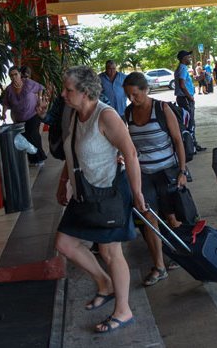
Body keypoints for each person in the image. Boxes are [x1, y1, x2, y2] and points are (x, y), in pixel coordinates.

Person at [54, 66, 145, 334]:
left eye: (68, 89)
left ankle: (123, 309)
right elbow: (72, 151)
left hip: (108, 193)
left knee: (109, 251)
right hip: (84, 193)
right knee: (64, 243)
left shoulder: (106, 116)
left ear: (85, 92)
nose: (63, 94)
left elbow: (130, 154)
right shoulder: (74, 114)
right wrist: (64, 182)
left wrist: (137, 193)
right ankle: (104, 284)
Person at [122, 72, 187, 287]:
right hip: (143, 174)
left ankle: (181, 253)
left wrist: (182, 171)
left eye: (135, 94)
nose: (132, 99)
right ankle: (159, 266)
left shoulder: (162, 109)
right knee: (149, 217)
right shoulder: (129, 113)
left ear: (145, 90)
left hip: (167, 171)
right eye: (128, 95)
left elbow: (178, 140)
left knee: (172, 217)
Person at [1, 67, 48, 167]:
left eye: (15, 74)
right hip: (19, 119)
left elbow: (40, 87)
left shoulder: (27, 83)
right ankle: (32, 160)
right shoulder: (9, 89)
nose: (14, 77)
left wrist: (39, 99)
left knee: (33, 135)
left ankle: (40, 158)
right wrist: (3, 113)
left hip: (33, 114)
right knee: (26, 138)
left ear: (20, 74)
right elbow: (5, 102)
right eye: (11, 75)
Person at [174, 50, 205, 152]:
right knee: (190, 122)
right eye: (188, 57)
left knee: (188, 122)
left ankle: (191, 145)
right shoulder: (182, 69)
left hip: (183, 98)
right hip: (185, 98)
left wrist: (200, 77)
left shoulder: (181, 68)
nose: (190, 58)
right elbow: (182, 85)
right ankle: (192, 146)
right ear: (183, 58)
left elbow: (185, 83)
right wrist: (190, 97)